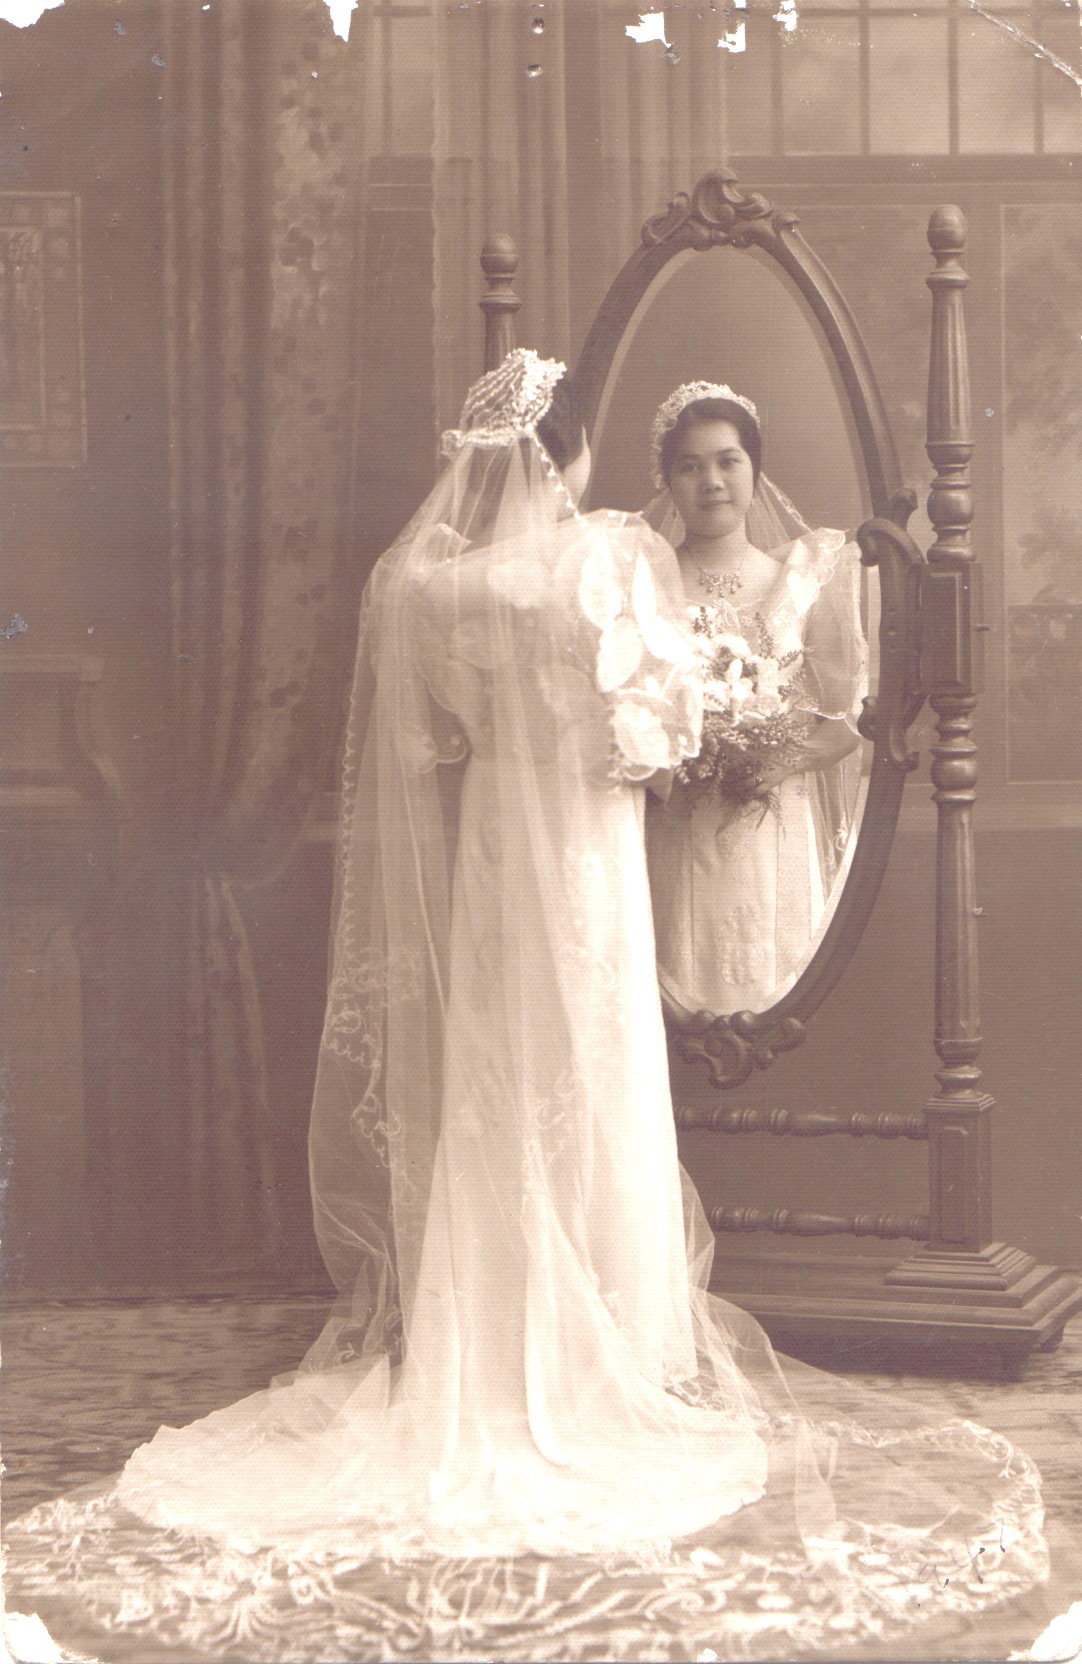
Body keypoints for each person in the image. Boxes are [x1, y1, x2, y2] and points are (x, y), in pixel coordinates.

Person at [3, 352, 1046, 1664]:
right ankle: (611, 1344)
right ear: (563, 456)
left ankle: (484, 1332)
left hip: (494, 863)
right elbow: (659, 731)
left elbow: (431, 739)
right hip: (586, 856)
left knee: (501, 1075)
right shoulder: (601, 566)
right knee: (594, 1073)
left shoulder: (428, 586)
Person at [644, 382, 869, 1015]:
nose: (710, 480)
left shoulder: (800, 580)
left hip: (773, 821)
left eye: (727, 460)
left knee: (773, 992)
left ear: (755, 470)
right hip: (678, 820)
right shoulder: (643, 585)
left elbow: (846, 721)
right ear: (667, 481)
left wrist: (773, 759)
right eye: (689, 466)